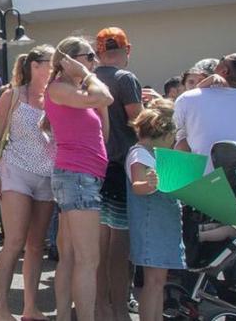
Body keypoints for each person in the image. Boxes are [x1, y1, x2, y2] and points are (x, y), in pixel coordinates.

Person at [42, 37, 111, 321]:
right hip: (77, 176)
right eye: (89, 56)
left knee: (72, 255)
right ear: (67, 60)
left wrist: (86, 79)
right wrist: (88, 76)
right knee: (87, 259)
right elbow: (106, 97)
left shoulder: (75, 92)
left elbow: (102, 131)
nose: (94, 61)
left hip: (82, 175)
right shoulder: (59, 88)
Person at [0, 45, 56, 321]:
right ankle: (2, 308)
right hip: (15, 170)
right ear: (35, 65)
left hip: (47, 175)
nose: (56, 68)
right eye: (52, 63)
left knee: (36, 244)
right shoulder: (13, 95)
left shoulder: (57, 97)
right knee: (14, 241)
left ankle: (31, 307)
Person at [91, 27, 144, 321]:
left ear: (99, 52)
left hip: (94, 167)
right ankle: (120, 310)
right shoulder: (126, 79)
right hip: (121, 167)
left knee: (97, 247)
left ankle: (101, 307)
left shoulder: (89, 79)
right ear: (127, 50)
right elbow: (139, 122)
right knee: (120, 248)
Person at [125, 99, 184, 321]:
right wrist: (150, 184)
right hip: (152, 226)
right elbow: (138, 186)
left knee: (158, 282)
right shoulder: (140, 154)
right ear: (165, 133)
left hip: (160, 225)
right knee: (153, 283)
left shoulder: (147, 153)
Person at [173, 53, 236, 157]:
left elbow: (179, 143)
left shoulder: (187, 99)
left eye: (222, 59)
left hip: (201, 172)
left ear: (224, 71)